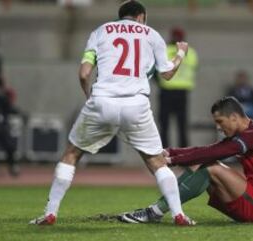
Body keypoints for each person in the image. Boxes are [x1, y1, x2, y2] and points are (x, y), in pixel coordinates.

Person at [30, 0, 194, 226]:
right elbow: (167, 74)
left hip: (102, 101)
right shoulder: (152, 34)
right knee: (157, 162)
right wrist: (181, 54)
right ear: (141, 16)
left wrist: (91, 98)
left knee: (71, 155)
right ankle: (178, 214)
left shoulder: (100, 31)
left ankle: (50, 212)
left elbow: (84, 72)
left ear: (121, 16)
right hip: (137, 105)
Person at [119, 97, 253, 224]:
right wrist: (170, 152)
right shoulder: (248, 133)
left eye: (220, 121)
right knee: (205, 161)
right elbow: (208, 150)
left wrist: (172, 160)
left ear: (234, 117)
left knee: (211, 166)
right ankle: (156, 210)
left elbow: (215, 152)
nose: (218, 127)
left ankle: (154, 211)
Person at [157, 27, 198, 148]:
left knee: (164, 124)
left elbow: (158, 70)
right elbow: (194, 68)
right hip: (182, 92)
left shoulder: (165, 50)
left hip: (167, 90)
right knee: (181, 124)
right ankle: (184, 152)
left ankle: (164, 152)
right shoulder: (191, 52)